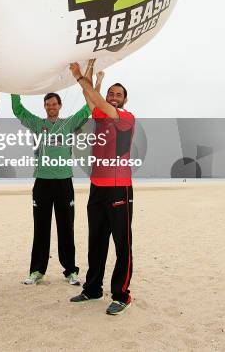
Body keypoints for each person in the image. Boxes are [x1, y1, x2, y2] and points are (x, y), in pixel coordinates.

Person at [11, 64, 92, 286]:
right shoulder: (38, 124)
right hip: (43, 184)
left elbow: (89, 107)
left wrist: (90, 79)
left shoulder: (68, 124)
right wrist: (11, 83)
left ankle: (70, 272)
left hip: (64, 183)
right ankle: (37, 271)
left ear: (59, 105)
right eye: (47, 105)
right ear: (45, 107)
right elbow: (18, 110)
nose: (51, 107)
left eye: (54, 104)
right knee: (41, 229)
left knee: (66, 229)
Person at [69, 61, 135, 315]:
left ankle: (121, 295)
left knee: (122, 243)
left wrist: (78, 76)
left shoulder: (126, 118)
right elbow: (91, 98)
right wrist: (88, 76)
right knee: (96, 241)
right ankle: (93, 288)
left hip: (119, 188)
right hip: (97, 187)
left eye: (119, 95)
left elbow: (96, 99)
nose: (114, 97)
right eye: (111, 93)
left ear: (124, 101)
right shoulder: (100, 114)